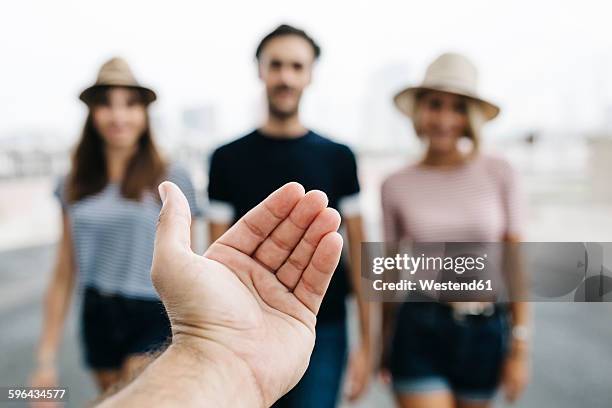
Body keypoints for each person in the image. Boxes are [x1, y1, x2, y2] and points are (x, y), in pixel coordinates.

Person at [206, 24, 371, 407]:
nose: (285, 76)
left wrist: (367, 345)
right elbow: (214, 255)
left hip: (323, 329)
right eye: (276, 65)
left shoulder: (339, 157)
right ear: (260, 70)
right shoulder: (226, 159)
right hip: (246, 328)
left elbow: (361, 253)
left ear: (310, 74)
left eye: (297, 66)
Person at [31, 58, 201, 393]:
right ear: (92, 113)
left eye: (130, 104)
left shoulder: (171, 177)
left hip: (152, 311)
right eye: (106, 104)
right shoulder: (73, 183)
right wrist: (46, 358)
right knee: (108, 397)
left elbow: (186, 261)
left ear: (144, 114)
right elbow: (65, 269)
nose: (118, 116)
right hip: (97, 312)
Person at [99, 181, 344, 407]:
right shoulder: (226, 157)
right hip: (266, 309)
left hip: (310, 318)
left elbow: (362, 237)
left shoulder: (338, 155)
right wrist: (213, 349)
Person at [380, 53, 531, 408]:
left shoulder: (500, 172)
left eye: (458, 107)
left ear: (471, 117)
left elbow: (515, 263)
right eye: (435, 104)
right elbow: (388, 270)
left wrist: (520, 347)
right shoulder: (395, 184)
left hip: (486, 331)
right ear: (420, 110)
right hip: (418, 328)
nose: (445, 119)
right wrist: (378, 343)